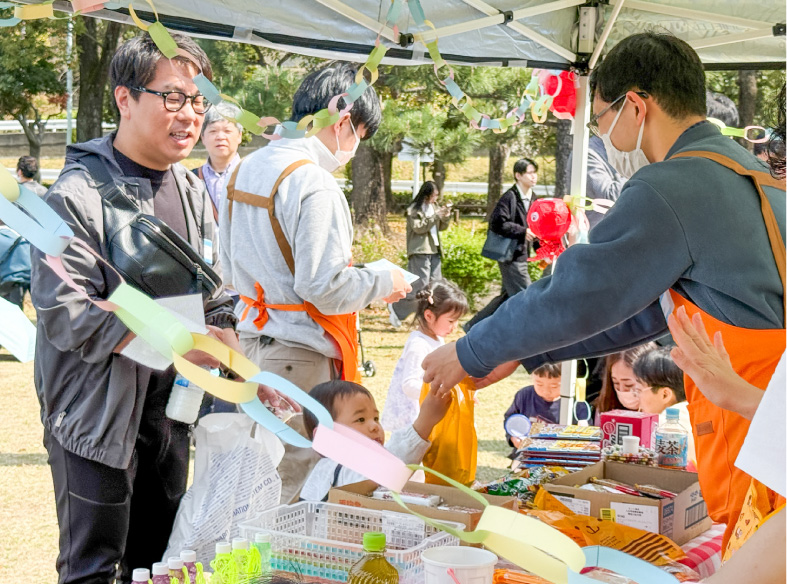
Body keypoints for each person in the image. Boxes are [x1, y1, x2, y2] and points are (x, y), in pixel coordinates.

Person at [422, 32, 785, 549]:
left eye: (599, 122)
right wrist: (521, 351)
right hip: (773, 411)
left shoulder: (673, 185)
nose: (604, 139)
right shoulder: (757, 174)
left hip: (750, 420)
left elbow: (583, 290)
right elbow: (647, 311)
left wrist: (473, 347)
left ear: (635, 106)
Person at [28, 34, 288, 584]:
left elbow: (214, 298)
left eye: (198, 102)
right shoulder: (76, 195)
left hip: (171, 415)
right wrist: (180, 340)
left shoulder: (192, 191)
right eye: (172, 98)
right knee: (92, 567)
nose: (190, 116)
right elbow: (67, 311)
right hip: (96, 419)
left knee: (160, 564)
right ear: (124, 99)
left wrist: (246, 370)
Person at [219, 63, 411, 504]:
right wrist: (384, 280)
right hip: (299, 357)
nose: (355, 149)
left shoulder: (241, 169)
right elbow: (322, 286)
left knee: (259, 477)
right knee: (296, 484)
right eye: (360, 136)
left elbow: (227, 269)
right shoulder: (314, 183)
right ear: (344, 121)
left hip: (253, 345)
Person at [299, 380, 450, 502]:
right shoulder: (341, 468)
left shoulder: (327, 467)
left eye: (376, 418)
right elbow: (389, 469)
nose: (374, 426)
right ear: (327, 437)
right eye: (360, 419)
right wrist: (425, 422)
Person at [463, 158, 539, 332]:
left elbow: (536, 227)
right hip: (510, 255)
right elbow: (498, 223)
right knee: (526, 295)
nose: (534, 176)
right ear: (517, 175)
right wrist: (522, 231)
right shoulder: (509, 198)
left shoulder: (533, 199)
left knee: (506, 297)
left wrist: (542, 251)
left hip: (521, 253)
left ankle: (473, 326)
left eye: (535, 172)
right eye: (529, 172)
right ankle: (527, 332)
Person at [382, 280, 468, 432]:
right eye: (451, 321)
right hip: (413, 421)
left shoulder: (436, 338)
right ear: (429, 315)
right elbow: (409, 385)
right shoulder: (418, 345)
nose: (454, 326)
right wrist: (441, 391)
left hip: (426, 417)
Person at [389, 181, 451, 326]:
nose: (436, 198)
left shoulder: (433, 207)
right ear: (427, 194)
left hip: (434, 249)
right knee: (420, 287)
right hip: (420, 250)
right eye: (434, 195)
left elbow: (440, 227)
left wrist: (445, 216)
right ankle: (398, 308)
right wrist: (435, 216)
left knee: (435, 286)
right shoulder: (413, 210)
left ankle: (428, 318)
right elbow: (419, 228)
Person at [567, 135, 626, 230]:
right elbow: (608, 197)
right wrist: (638, 166)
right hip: (595, 239)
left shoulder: (620, 150)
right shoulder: (587, 153)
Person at [194, 108, 243, 223]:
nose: (220, 137)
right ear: (203, 138)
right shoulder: (190, 179)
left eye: (227, 131)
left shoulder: (253, 176)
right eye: (213, 131)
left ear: (239, 136)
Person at [503, 362, 562, 449]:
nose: (546, 391)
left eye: (554, 386)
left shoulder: (574, 404)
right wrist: (513, 437)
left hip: (558, 454)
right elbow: (511, 419)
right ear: (532, 377)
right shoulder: (524, 395)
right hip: (526, 451)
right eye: (539, 384)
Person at [592, 343, 655, 421]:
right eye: (616, 383)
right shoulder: (605, 406)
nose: (621, 390)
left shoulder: (666, 411)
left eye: (628, 385)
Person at [0, 223, 31, 309]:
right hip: (32, 275)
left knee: (11, 310)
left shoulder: (2, 235)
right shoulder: (18, 234)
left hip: (11, 278)